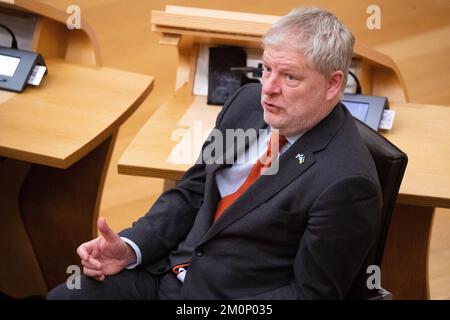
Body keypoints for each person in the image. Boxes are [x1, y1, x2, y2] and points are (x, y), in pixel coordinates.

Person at [48, 7, 382, 300]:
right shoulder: (247, 104)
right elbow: (192, 193)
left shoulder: (347, 183)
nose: (269, 88)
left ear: (333, 84)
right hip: (164, 274)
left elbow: (309, 295)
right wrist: (131, 247)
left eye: (290, 76)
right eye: (267, 69)